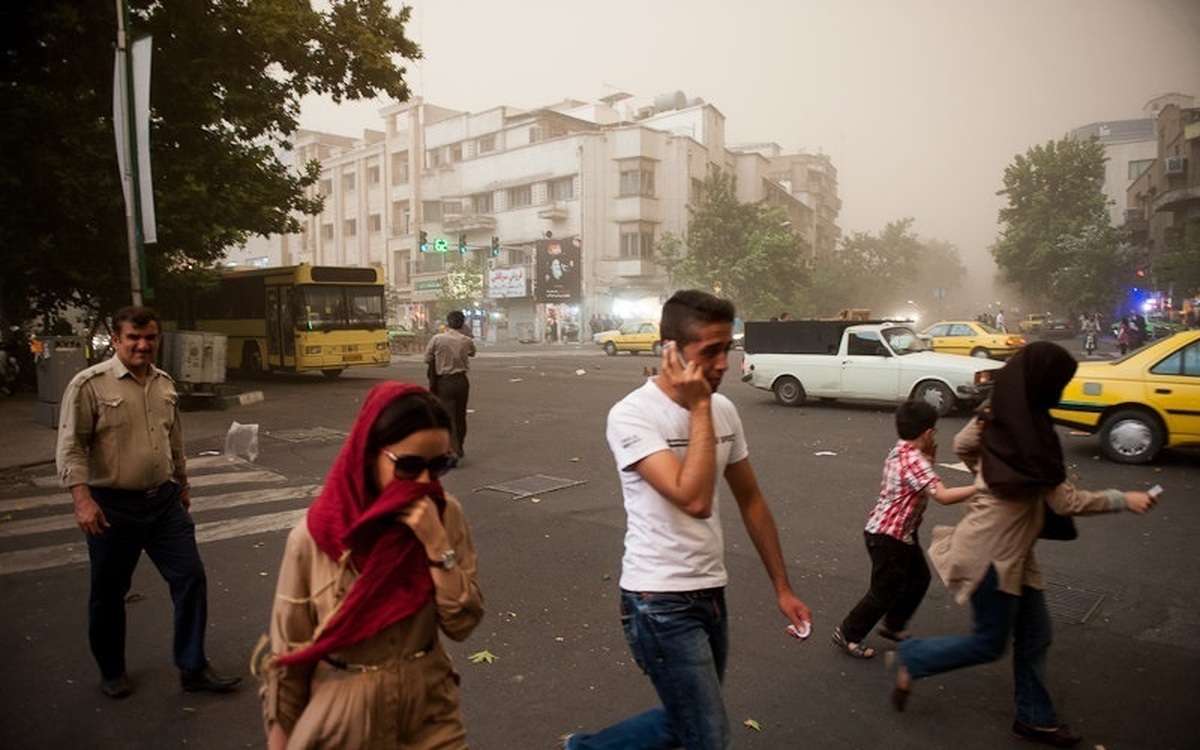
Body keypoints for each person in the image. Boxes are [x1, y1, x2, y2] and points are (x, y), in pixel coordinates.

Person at [563, 289, 811, 750]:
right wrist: (699, 409)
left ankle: (587, 748)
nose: (722, 364)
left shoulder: (724, 410)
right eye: (710, 351)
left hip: (710, 593)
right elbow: (693, 499)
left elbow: (751, 499)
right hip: (656, 601)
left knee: (687, 721)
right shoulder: (632, 416)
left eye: (728, 348)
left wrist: (782, 587)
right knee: (708, 735)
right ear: (671, 351)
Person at [889, 342, 1157, 747]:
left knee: (1036, 634)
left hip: (1013, 552)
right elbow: (1065, 501)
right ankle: (914, 659)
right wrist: (1125, 499)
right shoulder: (1031, 436)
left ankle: (1034, 717)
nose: (1061, 390)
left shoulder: (998, 413)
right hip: (992, 555)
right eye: (1059, 383)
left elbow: (963, 446)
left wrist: (991, 476)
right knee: (989, 643)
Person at [255, 382, 484, 749]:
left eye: (439, 466)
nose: (426, 483)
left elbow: (463, 622)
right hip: (341, 716)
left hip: (430, 711)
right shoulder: (313, 537)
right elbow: (290, 658)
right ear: (369, 454)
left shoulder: (445, 515)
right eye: (409, 467)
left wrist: (436, 545)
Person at [56, 305, 241, 699]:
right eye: (133, 338)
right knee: (108, 592)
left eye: (150, 338)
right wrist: (82, 498)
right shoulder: (89, 385)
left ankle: (192, 667)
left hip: (164, 503)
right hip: (112, 506)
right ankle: (112, 670)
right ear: (117, 339)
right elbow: (71, 447)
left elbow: (174, 438)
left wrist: (184, 483)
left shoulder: (163, 383)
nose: (142, 346)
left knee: (189, 577)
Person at [831, 400, 974, 660]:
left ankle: (893, 625)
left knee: (919, 579)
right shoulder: (914, 460)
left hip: (900, 532)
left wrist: (931, 455)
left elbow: (924, 476)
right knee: (882, 593)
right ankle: (848, 633)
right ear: (928, 432)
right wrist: (982, 488)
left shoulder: (902, 450)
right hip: (888, 537)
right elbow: (942, 495)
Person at [424, 310, 475, 459]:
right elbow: (472, 353)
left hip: (444, 382)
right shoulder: (466, 340)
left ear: (448, 322)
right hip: (462, 381)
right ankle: (460, 445)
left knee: (448, 416)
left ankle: (452, 449)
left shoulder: (437, 339)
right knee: (461, 415)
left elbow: (427, 358)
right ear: (462, 323)